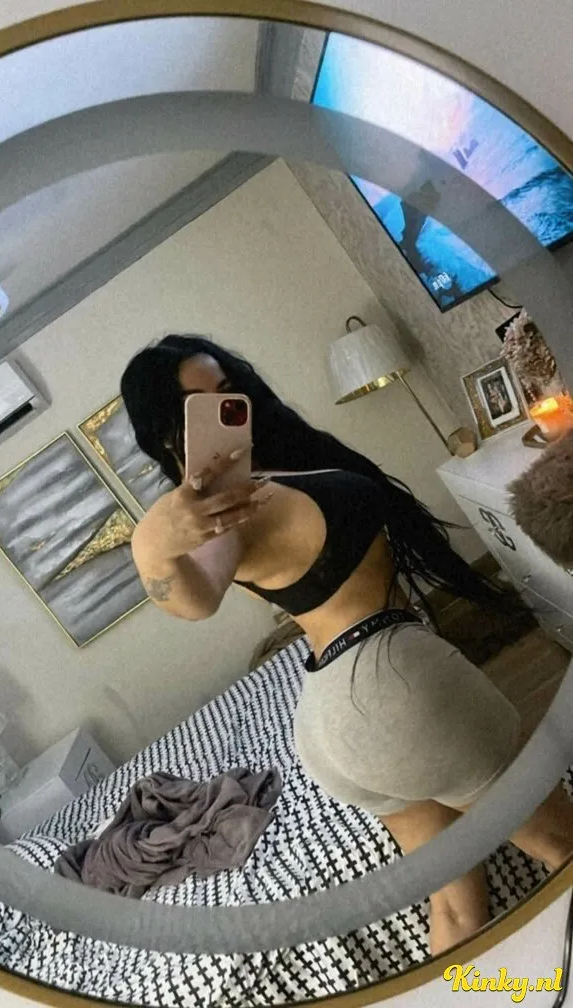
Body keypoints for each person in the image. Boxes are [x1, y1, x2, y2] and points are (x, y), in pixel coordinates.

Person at [121, 333, 573, 956]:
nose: (227, 410)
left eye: (228, 391)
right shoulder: (225, 512)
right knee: (561, 845)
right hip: (393, 695)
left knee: (456, 906)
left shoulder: (262, 476)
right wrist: (151, 546)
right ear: (167, 434)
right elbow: (195, 599)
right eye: (200, 407)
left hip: (335, 725)